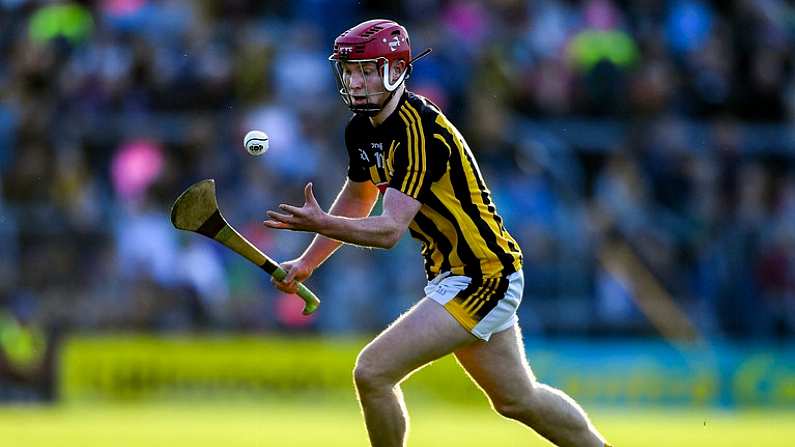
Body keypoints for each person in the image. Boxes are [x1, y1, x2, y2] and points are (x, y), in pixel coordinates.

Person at [264, 19, 611, 447]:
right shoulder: (362, 129)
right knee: (518, 400)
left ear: (395, 70)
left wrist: (320, 222)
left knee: (372, 372)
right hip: (454, 275)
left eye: (368, 70)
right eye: (351, 71)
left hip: (483, 274)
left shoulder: (419, 131)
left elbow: (390, 230)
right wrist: (307, 261)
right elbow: (358, 198)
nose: (356, 80)